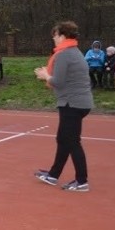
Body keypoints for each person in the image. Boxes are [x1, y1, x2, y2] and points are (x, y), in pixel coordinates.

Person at [33, 21, 94, 192]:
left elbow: (58, 81)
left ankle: (82, 181)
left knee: (72, 142)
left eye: (55, 35)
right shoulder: (74, 52)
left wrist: (45, 75)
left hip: (72, 104)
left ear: (62, 36)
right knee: (63, 139)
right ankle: (53, 175)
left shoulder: (64, 54)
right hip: (76, 102)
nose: (53, 38)